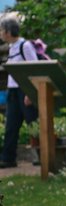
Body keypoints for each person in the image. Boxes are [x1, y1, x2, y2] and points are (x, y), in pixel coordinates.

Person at [0, 17, 38, 168]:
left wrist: (30, 92)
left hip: (25, 91)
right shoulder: (12, 47)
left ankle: (41, 156)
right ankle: (8, 159)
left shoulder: (25, 45)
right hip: (13, 92)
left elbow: (35, 69)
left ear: (9, 32)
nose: (1, 33)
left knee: (33, 125)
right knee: (11, 126)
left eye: (2, 30)